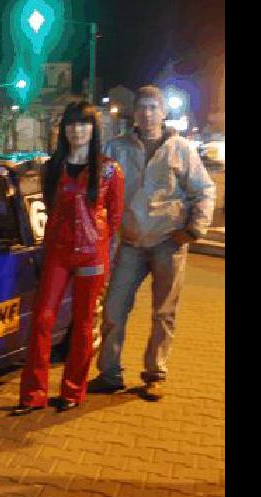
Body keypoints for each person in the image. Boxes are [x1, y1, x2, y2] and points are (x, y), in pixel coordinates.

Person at [88, 85, 215, 401]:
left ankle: (155, 374)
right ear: (134, 112)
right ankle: (110, 373)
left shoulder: (180, 148)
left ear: (164, 113)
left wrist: (193, 230)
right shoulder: (117, 148)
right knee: (114, 310)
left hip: (167, 244)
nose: (147, 113)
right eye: (142, 107)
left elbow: (205, 190)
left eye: (152, 107)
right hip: (129, 243)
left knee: (163, 313)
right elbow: (96, 186)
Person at [13, 101, 124, 415]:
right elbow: (51, 206)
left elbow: (114, 218)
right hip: (59, 255)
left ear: (94, 129)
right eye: (72, 124)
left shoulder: (109, 169)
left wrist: (98, 245)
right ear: (64, 130)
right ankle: (33, 395)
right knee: (43, 319)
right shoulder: (54, 166)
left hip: (92, 257)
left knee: (83, 323)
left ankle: (73, 391)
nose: (78, 130)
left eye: (84, 124)